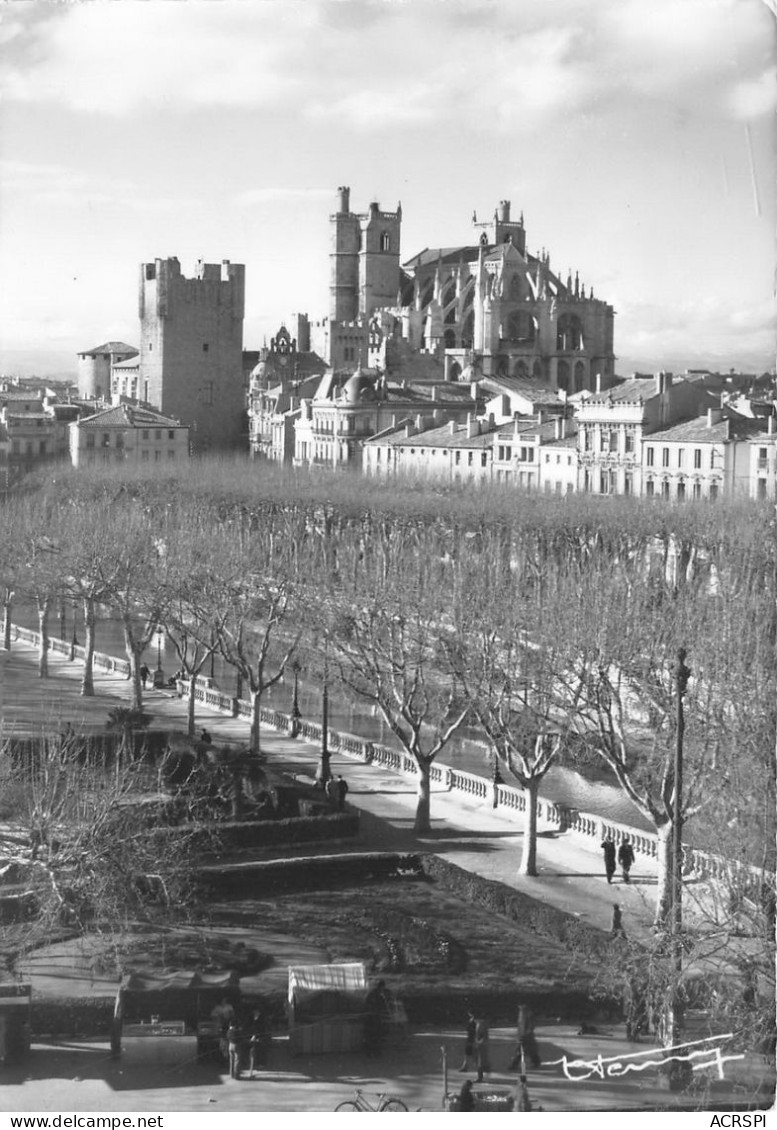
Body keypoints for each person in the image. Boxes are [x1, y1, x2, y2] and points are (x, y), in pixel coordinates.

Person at [509, 1003, 541, 1070]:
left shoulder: (527, 1014)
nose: (519, 1007)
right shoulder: (522, 1013)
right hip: (524, 1036)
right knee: (529, 1050)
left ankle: (514, 1065)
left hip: (526, 1036)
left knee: (520, 1051)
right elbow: (521, 1026)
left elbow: (529, 1026)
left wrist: (525, 1034)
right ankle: (536, 1062)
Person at [363, 979, 390, 1057]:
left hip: (371, 1016)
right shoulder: (376, 994)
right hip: (373, 1016)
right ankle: (374, 1051)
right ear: (381, 987)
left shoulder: (373, 993)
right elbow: (380, 1005)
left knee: (371, 1035)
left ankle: (372, 1051)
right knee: (375, 1034)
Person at [248, 1009, 271, 1078]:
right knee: (255, 1052)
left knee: (258, 1052)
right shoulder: (255, 1019)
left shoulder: (260, 1020)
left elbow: (259, 1029)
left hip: (259, 1038)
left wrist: (254, 1036)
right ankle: (257, 1065)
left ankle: (258, 1065)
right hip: (257, 1038)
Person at [474, 1017, 490, 1082]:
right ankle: (481, 1075)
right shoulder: (479, 1024)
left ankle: (480, 1077)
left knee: (480, 1062)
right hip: (480, 1045)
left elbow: (484, 1036)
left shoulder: (481, 1025)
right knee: (479, 1061)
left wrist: (478, 1042)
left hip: (481, 1046)